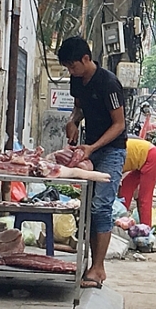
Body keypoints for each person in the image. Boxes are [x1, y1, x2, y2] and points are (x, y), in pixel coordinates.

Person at [58, 36, 127, 289]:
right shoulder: (76, 80)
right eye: (67, 67)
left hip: (111, 150)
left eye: (73, 66)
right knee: (87, 208)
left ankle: (99, 268)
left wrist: (93, 147)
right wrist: (73, 121)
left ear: (86, 59)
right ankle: (90, 264)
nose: (71, 71)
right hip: (89, 149)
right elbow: (79, 107)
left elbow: (119, 124)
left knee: (101, 207)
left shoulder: (108, 83)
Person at [118, 137, 156, 227]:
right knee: (125, 188)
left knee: (144, 197)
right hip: (143, 157)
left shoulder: (108, 159)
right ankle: (120, 220)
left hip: (151, 157)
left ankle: (146, 230)